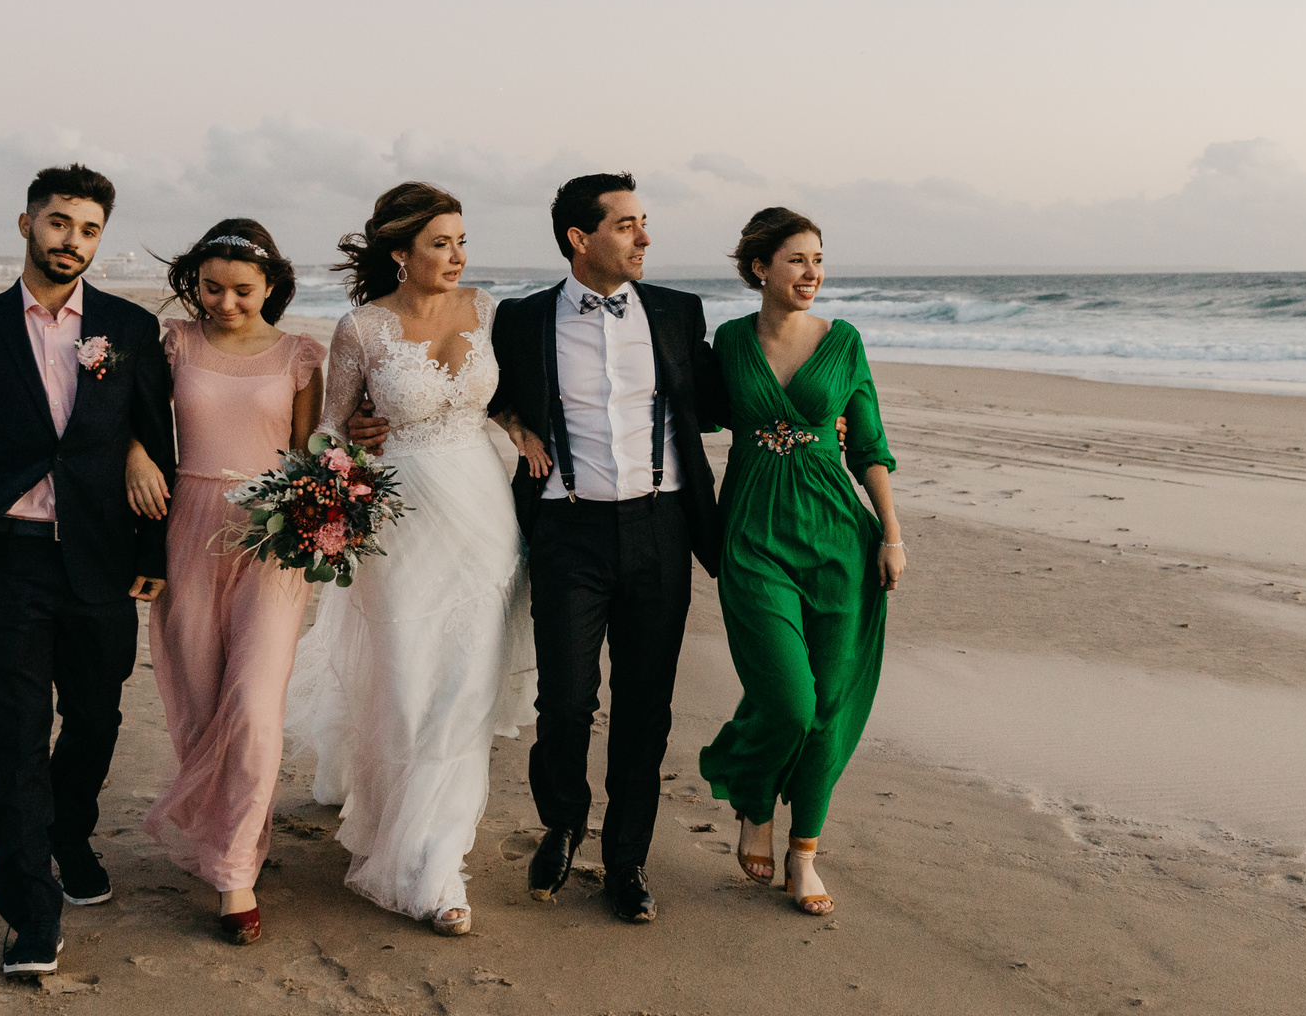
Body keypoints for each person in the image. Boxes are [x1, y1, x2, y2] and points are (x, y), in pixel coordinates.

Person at [0, 163, 174, 978]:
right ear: (25, 223)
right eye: (60, 223)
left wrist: (153, 551)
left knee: (96, 719)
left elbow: (156, 444)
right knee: (16, 735)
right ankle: (30, 908)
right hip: (11, 557)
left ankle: (70, 832)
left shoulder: (129, 328)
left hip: (102, 555)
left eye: (90, 228)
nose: (74, 241)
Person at [286, 182, 534, 936]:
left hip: (486, 516)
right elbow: (326, 439)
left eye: (462, 240)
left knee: (465, 684)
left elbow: (505, 400)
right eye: (440, 243)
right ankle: (395, 815)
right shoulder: (362, 328)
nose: (458, 255)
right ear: (400, 252)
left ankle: (435, 863)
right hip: (400, 522)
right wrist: (354, 438)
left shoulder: (491, 311)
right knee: (407, 681)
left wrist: (524, 430)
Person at [485, 173, 727, 923]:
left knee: (644, 707)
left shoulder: (679, 312)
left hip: (661, 528)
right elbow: (478, 389)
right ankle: (562, 821)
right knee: (564, 698)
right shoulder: (520, 320)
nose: (645, 237)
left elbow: (724, 398)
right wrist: (512, 422)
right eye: (627, 224)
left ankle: (626, 860)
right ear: (578, 239)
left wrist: (822, 419)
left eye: (644, 221)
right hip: (568, 530)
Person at [118, 220, 325, 945]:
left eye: (242, 290)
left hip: (271, 533)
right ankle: (226, 835)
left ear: (271, 285)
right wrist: (138, 455)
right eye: (212, 288)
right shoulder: (174, 343)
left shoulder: (301, 355)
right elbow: (128, 416)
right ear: (194, 283)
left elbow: (309, 455)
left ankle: (235, 868)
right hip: (187, 524)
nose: (226, 303)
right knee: (199, 698)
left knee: (255, 701)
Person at [698, 207, 903, 916]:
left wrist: (891, 533)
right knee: (789, 697)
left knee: (831, 702)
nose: (812, 272)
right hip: (753, 536)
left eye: (818, 259)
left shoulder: (844, 342)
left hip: (839, 540)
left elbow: (868, 444)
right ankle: (755, 800)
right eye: (796, 259)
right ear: (759, 267)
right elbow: (678, 406)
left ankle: (804, 850)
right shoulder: (727, 343)